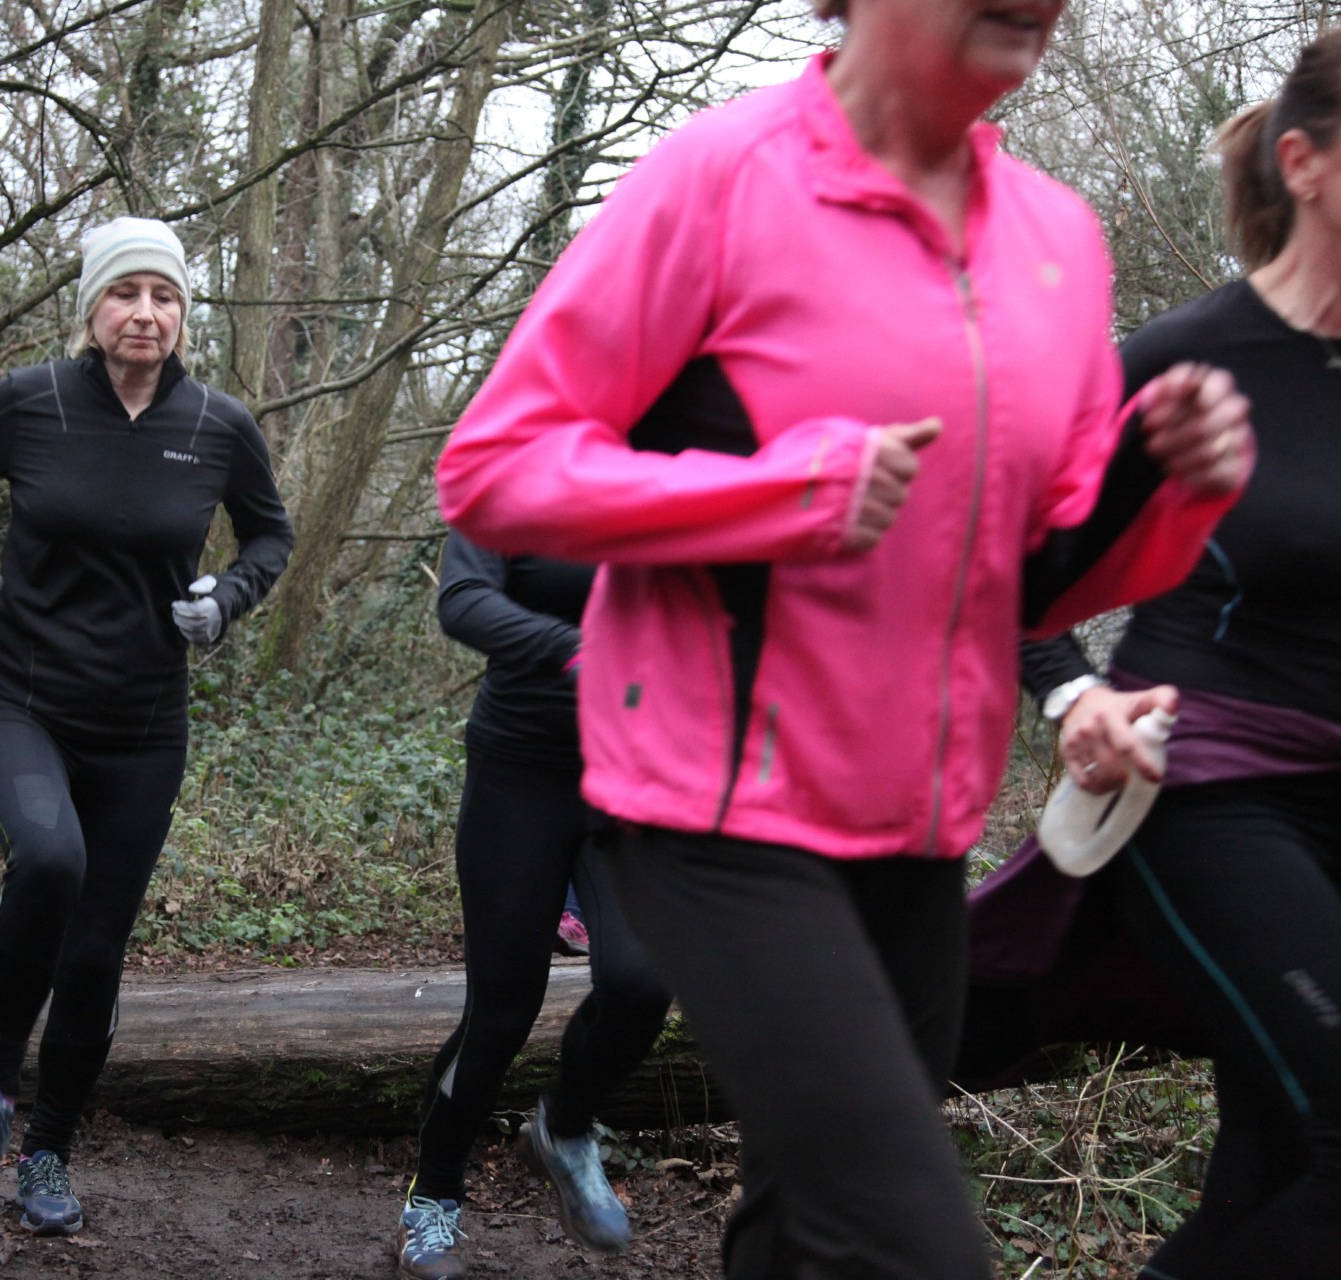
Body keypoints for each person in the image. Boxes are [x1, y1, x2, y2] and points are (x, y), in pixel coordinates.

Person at [433, 1, 1255, 1275]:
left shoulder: (1056, 236)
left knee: (804, 1224)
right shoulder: (721, 177)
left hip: (916, 829)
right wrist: (780, 495)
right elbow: (495, 468)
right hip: (718, 805)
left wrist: (1164, 485)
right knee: (912, 1246)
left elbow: (1037, 582)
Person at [1020, 31, 1341, 1277]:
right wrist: (1072, 693)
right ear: (1304, 164)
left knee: (1279, 1161)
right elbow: (1016, 565)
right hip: (1209, 782)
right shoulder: (1187, 360)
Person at [0, 217, 293, 1236]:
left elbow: (271, 534)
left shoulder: (218, 424)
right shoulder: (31, 400)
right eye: (126, 293)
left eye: (165, 296)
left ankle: (49, 1151)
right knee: (48, 860)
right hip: (21, 701)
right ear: (92, 307)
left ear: (183, 315)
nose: (145, 313)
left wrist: (227, 599)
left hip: (143, 727)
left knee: (95, 949)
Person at [393, 530, 673, 1279]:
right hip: (520, 774)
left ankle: (565, 1127)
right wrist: (574, 648)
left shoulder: (678, 488)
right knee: (501, 1013)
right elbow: (463, 600)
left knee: (644, 981)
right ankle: (432, 1200)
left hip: (634, 775)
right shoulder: (514, 488)